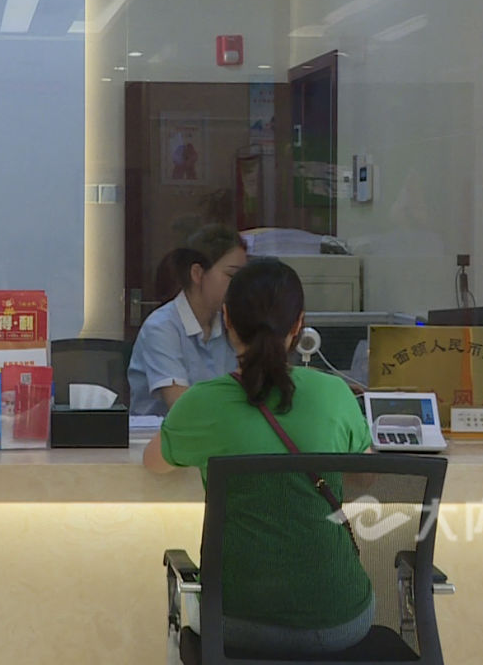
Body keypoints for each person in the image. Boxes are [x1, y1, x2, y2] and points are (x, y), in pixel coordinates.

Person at [143, 259, 373, 657]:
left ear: (227, 319)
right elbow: (366, 478)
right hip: (341, 623)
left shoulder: (202, 403)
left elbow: (154, 462)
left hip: (236, 623)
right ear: (299, 325)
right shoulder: (336, 395)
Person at [127, 225, 248, 416]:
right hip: (164, 433)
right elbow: (182, 407)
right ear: (197, 273)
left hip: (220, 430)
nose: (241, 285)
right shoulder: (161, 327)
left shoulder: (230, 324)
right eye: (232, 275)